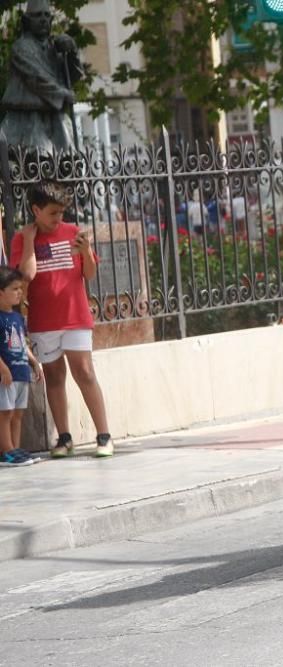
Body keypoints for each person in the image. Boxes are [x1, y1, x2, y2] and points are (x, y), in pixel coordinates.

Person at [9, 180, 115, 458]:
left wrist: (85, 253)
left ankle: (104, 435)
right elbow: (26, 276)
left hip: (75, 316)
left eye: (62, 213)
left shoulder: (73, 233)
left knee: (85, 372)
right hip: (44, 320)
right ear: (36, 210)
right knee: (54, 377)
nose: (60, 219)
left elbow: (89, 274)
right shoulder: (22, 239)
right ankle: (64, 437)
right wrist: (30, 241)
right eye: (53, 213)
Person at [0, 0, 83, 154]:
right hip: (26, 121)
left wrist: (72, 53)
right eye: (38, 15)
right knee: (37, 160)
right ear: (27, 20)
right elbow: (36, 78)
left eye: (47, 15)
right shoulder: (21, 47)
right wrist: (62, 94)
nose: (43, 19)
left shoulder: (55, 49)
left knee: (66, 161)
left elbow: (72, 77)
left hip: (55, 119)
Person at [0, 267, 42, 467]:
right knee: (5, 413)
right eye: (14, 288)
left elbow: (22, 344)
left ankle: (15, 450)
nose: (20, 292)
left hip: (21, 372)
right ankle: (6, 451)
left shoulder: (17, 318)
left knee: (18, 414)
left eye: (20, 288)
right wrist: (3, 368)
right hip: (7, 375)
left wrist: (33, 362)